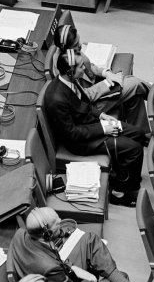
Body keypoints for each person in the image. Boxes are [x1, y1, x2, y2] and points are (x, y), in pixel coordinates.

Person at [7, 207, 154, 282]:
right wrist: (90, 281)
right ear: (47, 234)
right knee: (119, 281)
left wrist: (71, 266)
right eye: (57, 223)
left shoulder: (21, 234)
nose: (61, 220)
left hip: (54, 277)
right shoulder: (49, 267)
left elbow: (50, 258)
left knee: (89, 239)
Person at [44, 50, 148, 206]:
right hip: (81, 141)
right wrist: (103, 129)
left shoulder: (72, 80)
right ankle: (120, 193)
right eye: (80, 67)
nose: (84, 69)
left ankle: (122, 175)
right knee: (134, 149)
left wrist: (101, 116)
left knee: (138, 133)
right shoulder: (57, 98)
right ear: (70, 72)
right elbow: (72, 134)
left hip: (92, 125)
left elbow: (84, 103)